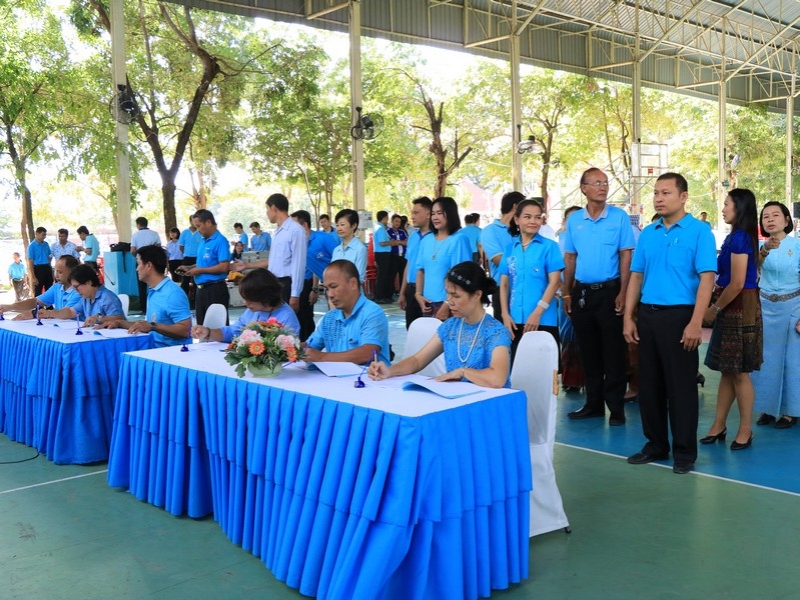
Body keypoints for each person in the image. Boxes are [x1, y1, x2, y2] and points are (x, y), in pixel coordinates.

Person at [623, 173, 717, 474]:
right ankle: (655, 444)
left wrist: (696, 322)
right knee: (649, 386)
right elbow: (636, 276)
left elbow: (707, 279)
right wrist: (628, 317)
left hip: (680, 317)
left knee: (681, 388)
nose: (659, 198)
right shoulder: (648, 233)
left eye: (666, 192)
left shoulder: (700, 232)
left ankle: (685, 452)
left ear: (684, 196)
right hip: (648, 315)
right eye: (656, 193)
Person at [561, 168, 635, 426]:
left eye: (605, 183)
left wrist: (623, 291)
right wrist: (567, 292)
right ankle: (593, 405)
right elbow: (570, 257)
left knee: (614, 352)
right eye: (597, 183)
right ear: (584, 188)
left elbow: (626, 255)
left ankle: (616, 408)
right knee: (588, 352)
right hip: (582, 293)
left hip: (610, 292)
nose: (603, 187)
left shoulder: (619, 217)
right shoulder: (575, 220)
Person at [369, 261, 511, 388]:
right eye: (448, 294)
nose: (449, 301)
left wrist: (463, 372)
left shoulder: (496, 332)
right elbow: (417, 360)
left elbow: (497, 379)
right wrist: (390, 370)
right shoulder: (451, 326)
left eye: (456, 296)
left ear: (477, 295)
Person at [701, 188, 763, 451]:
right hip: (731, 303)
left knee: (739, 372)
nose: (723, 208)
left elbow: (737, 283)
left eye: (727, 204)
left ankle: (745, 430)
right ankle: (719, 425)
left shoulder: (740, 239)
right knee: (728, 370)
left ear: (740, 208)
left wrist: (714, 308)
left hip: (739, 305)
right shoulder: (735, 237)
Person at [751, 202, 800, 429]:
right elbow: (755, 266)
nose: (770, 219)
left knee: (792, 361)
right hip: (765, 308)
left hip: (793, 308)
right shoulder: (760, 248)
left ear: (787, 220)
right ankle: (768, 409)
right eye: (765, 216)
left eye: (775, 215)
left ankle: (791, 411)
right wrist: (765, 250)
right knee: (766, 361)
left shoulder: (797, 246)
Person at [499, 199, 565, 363]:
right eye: (527, 217)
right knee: (518, 368)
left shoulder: (549, 246)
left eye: (537, 217)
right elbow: (504, 284)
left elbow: (555, 282)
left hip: (544, 319)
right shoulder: (510, 248)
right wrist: (505, 314)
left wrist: (537, 313)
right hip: (515, 320)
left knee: (544, 369)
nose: (533, 221)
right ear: (517, 220)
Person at [97, 246, 191, 348]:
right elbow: (146, 326)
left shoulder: (173, 294)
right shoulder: (154, 291)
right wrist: (119, 323)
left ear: (149, 265)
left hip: (169, 352)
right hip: (150, 346)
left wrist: (153, 326)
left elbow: (185, 331)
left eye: (138, 264)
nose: (137, 268)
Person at [304, 259, 391, 365]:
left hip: (368, 375)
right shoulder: (329, 317)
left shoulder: (372, 313)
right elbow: (309, 347)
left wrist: (322, 357)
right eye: (327, 289)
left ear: (353, 284)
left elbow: (368, 353)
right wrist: (289, 346)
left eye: (334, 287)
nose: (330, 294)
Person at [191, 268, 299, 343]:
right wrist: (208, 332)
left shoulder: (287, 318)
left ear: (265, 297)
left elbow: (287, 350)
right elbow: (232, 332)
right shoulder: (253, 310)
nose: (245, 303)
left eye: (250, 300)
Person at [415, 196, 472, 321]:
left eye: (440, 213)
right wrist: (418, 294)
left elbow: (460, 277)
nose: (435, 217)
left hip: (450, 304)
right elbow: (421, 270)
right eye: (433, 213)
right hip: (427, 303)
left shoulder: (459, 239)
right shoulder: (426, 240)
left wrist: (447, 304)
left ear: (450, 214)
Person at [291, 209, 338, 342]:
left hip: (338, 284)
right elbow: (313, 268)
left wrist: (315, 288)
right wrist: (316, 288)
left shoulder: (323, 239)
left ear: (304, 225)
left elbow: (339, 259)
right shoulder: (297, 243)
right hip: (320, 284)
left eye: (294, 225)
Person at [179, 209, 231, 326]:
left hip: (215, 289)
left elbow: (224, 267)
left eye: (198, 226)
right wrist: (189, 267)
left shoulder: (220, 241)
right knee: (201, 327)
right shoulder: (203, 241)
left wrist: (200, 270)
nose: (197, 230)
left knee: (216, 327)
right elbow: (204, 263)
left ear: (208, 222)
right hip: (200, 290)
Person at [482, 191, 523, 319]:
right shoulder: (490, 230)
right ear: (516, 207)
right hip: (502, 289)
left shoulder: (521, 230)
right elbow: (498, 260)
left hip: (524, 287)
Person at [557, 206, 585, 392]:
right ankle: (570, 380)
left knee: (585, 338)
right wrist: (564, 289)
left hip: (583, 294)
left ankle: (585, 378)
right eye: (570, 219)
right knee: (567, 338)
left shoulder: (586, 241)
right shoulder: (559, 243)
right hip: (564, 295)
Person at [0, 256, 81, 320]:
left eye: (60, 272)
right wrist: (10, 307)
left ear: (72, 272)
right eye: (55, 271)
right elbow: (36, 301)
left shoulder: (79, 290)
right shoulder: (57, 287)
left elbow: (67, 313)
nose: (56, 275)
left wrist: (34, 314)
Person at [399, 197, 433, 329]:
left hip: (427, 290)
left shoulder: (435, 237)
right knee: (412, 329)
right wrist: (402, 292)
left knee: (428, 330)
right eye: (412, 213)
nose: (412, 216)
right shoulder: (413, 236)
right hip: (411, 290)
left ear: (428, 214)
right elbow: (409, 264)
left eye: (416, 212)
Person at [131, 216, 161, 315]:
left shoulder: (135, 235)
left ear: (138, 224)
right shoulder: (155, 234)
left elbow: (133, 250)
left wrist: (138, 256)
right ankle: (156, 306)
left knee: (141, 286)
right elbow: (159, 248)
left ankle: (144, 309)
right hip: (154, 262)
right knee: (155, 284)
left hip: (141, 262)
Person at [331, 208, 368, 283]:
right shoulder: (336, 250)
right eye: (337, 225)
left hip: (352, 289)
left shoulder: (360, 249)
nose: (339, 229)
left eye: (342, 225)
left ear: (353, 226)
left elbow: (359, 278)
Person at [178, 216, 202, 306]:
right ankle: (183, 301)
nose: (194, 223)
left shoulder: (200, 232)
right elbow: (181, 246)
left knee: (196, 280)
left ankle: (195, 301)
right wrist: (187, 253)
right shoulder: (184, 233)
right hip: (187, 258)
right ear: (190, 221)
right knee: (185, 280)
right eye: (193, 221)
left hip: (198, 258)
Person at [372, 210, 394, 303]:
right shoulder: (380, 229)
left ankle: (379, 295)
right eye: (387, 218)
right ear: (384, 218)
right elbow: (382, 243)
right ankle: (379, 296)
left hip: (380, 253)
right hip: (382, 254)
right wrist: (391, 242)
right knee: (383, 276)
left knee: (382, 275)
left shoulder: (377, 227)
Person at [387, 213, 409, 298]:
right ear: (392, 221)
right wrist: (401, 242)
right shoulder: (388, 231)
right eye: (396, 221)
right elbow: (392, 243)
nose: (398, 223)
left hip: (402, 256)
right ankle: (390, 294)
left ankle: (403, 293)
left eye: (399, 222)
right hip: (393, 256)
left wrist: (398, 242)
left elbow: (407, 242)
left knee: (403, 275)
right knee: (391, 275)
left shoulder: (402, 231)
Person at [27, 226, 53, 294]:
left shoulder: (46, 244)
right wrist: (33, 276)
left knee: (49, 288)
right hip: (38, 269)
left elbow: (49, 256)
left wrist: (50, 266)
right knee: (38, 289)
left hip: (47, 267)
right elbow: (30, 261)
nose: (44, 237)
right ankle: (38, 301)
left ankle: (48, 301)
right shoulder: (31, 246)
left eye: (45, 235)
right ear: (37, 234)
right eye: (43, 235)